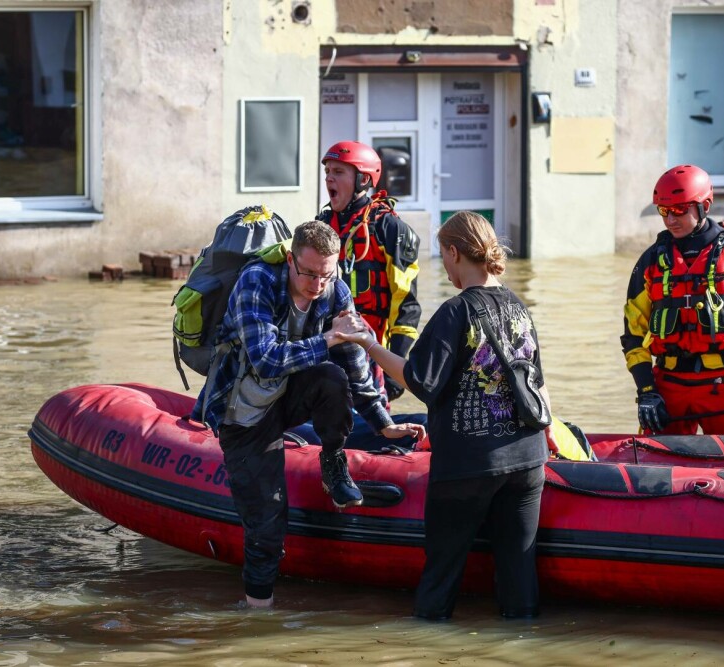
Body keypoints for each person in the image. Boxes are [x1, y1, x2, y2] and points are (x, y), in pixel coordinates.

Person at [195, 220, 425, 608]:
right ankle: (257, 611)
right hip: (244, 411)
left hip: (291, 396)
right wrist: (329, 338)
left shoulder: (333, 288)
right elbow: (266, 361)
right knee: (267, 518)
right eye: (309, 273)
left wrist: (383, 423)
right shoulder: (257, 282)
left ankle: (332, 462)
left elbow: (355, 365)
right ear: (290, 260)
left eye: (326, 274)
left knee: (333, 378)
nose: (318, 284)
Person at [336, 211, 551, 621]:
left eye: (442, 255)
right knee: (519, 573)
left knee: (441, 575)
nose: (445, 266)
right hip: (528, 459)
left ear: (454, 253)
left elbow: (419, 380)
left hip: (470, 463)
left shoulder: (456, 312)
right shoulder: (518, 305)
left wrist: (367, 343)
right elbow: (537, 381)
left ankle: (430, 647)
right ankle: (523, 642)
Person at [621, 164, 724, 436]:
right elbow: (633, 334)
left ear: (705, 206)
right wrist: (646, 391)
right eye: (664, 211)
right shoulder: (651, 261)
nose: (670, 220)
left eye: (679, 210)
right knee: (655, 467)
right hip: (668, 387)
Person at [287, 140, 427, 451]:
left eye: (338, 172)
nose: (328, 179)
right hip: (325, 347)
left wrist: (395, 370)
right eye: (326, 172)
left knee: (372, 433)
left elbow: (406, 307)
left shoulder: (390, 229)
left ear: (363, 179)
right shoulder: (320, 227)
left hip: (372, 354)